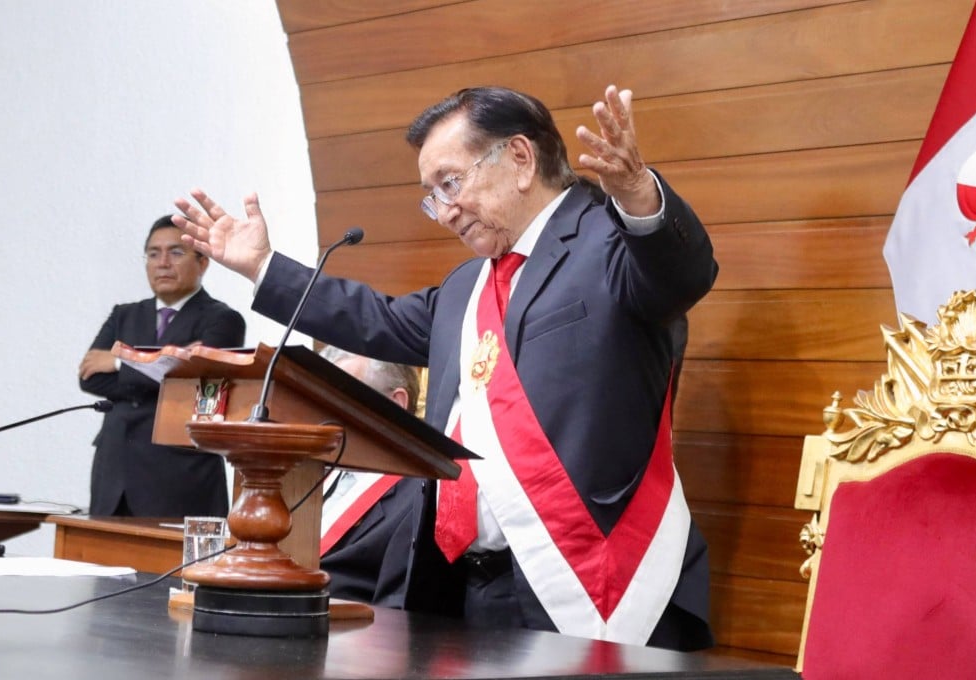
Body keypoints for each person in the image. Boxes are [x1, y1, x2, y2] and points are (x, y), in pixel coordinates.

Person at [173, 84, 717, 650]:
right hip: (468, 588)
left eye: (450, 183)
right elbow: (373, 319)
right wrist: (263, 267)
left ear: (521, 159)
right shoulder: (467, 287)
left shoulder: (611, 239)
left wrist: (638, 195)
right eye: (431, 196)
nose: (445, 211)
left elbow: (684, 274)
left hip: (593, 575)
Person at [78, 215, 246, 517]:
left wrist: (119, 362)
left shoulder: (222, 320)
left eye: (176, 252)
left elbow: (201, 386)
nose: (163, 262)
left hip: (178, 474)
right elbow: (90, 379)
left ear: (203, 262)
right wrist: (172, 363)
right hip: (114, 469)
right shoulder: (124, 315)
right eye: (153, 254)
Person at [317, 346, 422, 607]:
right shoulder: (308, 472)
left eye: (343, 397)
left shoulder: (419, 493)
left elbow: (397, 606)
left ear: (395, 403)